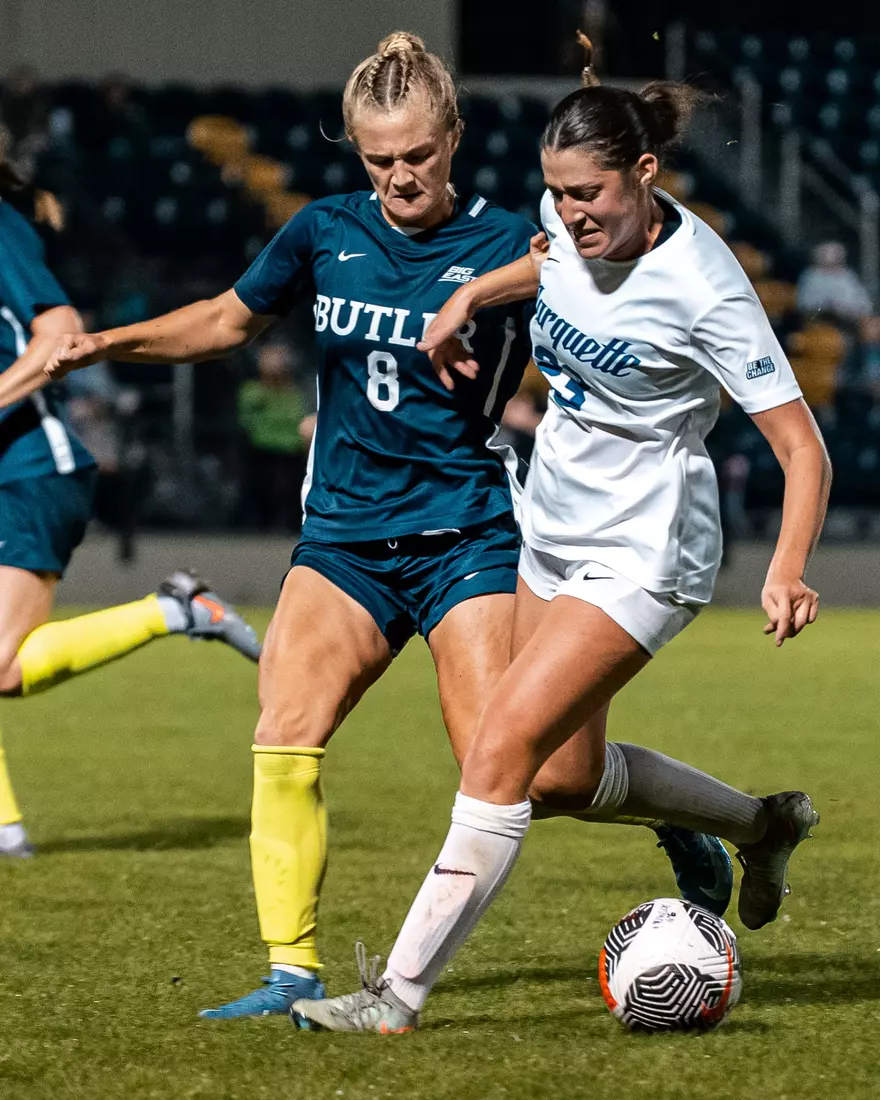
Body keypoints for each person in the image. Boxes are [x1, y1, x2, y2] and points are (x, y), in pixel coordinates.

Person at [4, 33, 767, 1023]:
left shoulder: (513, 244)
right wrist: (105, 343)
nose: (400, 177)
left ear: (452, 137)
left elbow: (620, 271)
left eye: (417, 155)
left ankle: (684, 827)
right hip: (344, 540)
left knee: (529, 773)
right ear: (356, 153)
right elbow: (228, 321)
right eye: (379, 160)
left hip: (469, 535)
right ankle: (292, 970)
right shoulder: (321, 231)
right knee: (284, 730)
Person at [290, 44, 832, 1034]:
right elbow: (539, 260)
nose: (571, 213)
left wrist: (787, 568)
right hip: (553, 519)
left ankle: (394, 995)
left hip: (647, 549)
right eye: (556, 194)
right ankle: (764, 822)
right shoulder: (559, 224)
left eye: (589, 195)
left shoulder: (704, 286)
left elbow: (802, 448)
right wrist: (466, 297)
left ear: (644, 175)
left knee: (496, 746)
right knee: (558, 778)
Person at [0, 162, 261, 859]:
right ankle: (5, 830)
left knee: (1, 667)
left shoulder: (1, 226)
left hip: (30, 468)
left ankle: (175, 610)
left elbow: (59, 333)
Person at [237, 341, 309, 531]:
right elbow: (248, 421)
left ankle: (289, 521)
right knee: (268, 480)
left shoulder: (294, 392)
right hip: (263, 451)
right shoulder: (252, 390)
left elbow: (299, 419)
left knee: (291, 480)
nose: (276, 364)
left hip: (292, 452)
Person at [796, 241, 872, 328]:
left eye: (835, 251)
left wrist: (850, 309)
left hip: (850, 321)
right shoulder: (810, 276)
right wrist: (829, 308)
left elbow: (864, 302)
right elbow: (804, 304)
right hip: (820, 324)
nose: (831, 255)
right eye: (827, 251)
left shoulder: (848, 275)